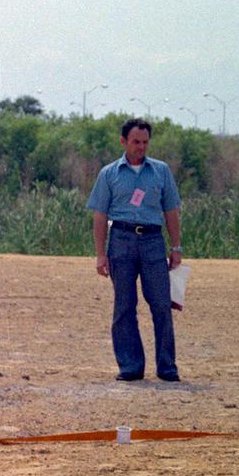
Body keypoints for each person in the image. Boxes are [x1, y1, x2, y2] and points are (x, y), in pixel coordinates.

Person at [87, 118, 182, 382]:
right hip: (121, 240)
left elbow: (172, 210)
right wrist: (100, 254)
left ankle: (167, 367)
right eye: (136, 142)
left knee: (161, 305)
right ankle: (130, 366)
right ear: (123, 142)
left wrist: (176, 247)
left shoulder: (161, 171)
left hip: (153, 242)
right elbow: (99, 214)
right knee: (124, 305)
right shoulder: (109, 173)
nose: (141, 147)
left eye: (145, 142)